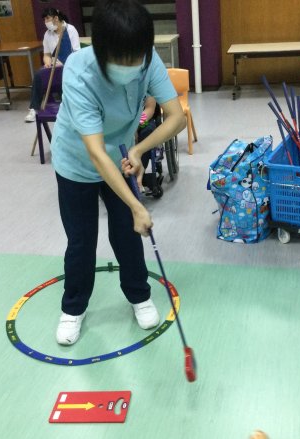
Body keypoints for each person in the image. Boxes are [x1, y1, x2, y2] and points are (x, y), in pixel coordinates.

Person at [50, 0, 186, 345]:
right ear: (100, 49)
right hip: (77, 163)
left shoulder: (147, 59)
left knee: (127, 235)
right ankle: (73, 308)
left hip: (122, 154)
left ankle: (138, 295)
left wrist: (139, 150)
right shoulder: (79, 71)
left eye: (135, 58)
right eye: (120, 59)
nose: (130, 67)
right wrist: (138, 205)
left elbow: (176, 116)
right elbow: (95, 152)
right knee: (81, 240)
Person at [24, 8, 80, 122]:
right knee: (39, 75)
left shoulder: (70, 30)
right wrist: (47, 62)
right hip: (54, 67)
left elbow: (77, 54)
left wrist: (65, 63)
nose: (46, 22)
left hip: (69, 67)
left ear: (56, 18)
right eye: (44, 19)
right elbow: (46, 54)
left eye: (47, 18)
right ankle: (34, 108)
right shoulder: (47, 34)